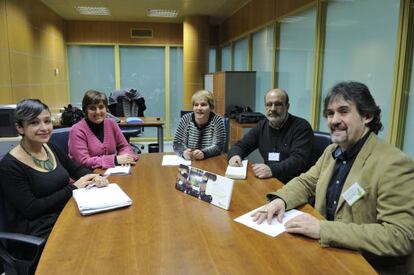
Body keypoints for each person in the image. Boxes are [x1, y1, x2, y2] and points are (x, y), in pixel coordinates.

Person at [252, 81, 414, 274]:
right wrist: (280, 201)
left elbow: (400, 236)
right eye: (330, 113)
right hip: (325, 253)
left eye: (343, 111)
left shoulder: (393, 164)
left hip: (365, 264)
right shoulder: (332, 151)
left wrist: (323, 230)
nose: (334, 120)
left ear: (367, 116)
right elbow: (306, 182)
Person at [0, 99, 108, 259]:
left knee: (106, 230)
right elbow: (32, 209)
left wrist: (94, 177)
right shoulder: (9, 166)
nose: (44, 128)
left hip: (64, 215)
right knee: (93, 248)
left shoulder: (49, 147)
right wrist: (73, 188)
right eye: (34, 123)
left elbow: (76, 169)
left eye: (47, 121)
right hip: (38, 232)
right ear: (20, 127)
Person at [227, 88, 313, 183]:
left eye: (278, 104)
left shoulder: (301, 126)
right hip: (270, 179)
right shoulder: (262, 126)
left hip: (296, 181)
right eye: (269, 104)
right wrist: (235, 155)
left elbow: (298, 160)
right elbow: (241, 145)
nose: (273, 109)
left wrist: (272, 169)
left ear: (287, 106)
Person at [68, 90, 139, 169]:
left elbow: (124, 146)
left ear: (106, 109)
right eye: (92, 108)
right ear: (85, 110)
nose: (98, 112)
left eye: (101, 107)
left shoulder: (111, 123)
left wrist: (125, 156)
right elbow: (82, 162)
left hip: (110, 172)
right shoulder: (77, 130)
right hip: (86, 176)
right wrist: (115, 160)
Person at [173, 90, 226, 160]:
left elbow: (219, 146)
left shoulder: (217, 120)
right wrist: (184, 152)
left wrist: (204, 153)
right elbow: (177, 143)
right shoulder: (186, 119)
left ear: (211, 107)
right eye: (196, 105)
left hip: (210, 161)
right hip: (190, 161)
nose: (199, 108)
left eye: (203, 105)